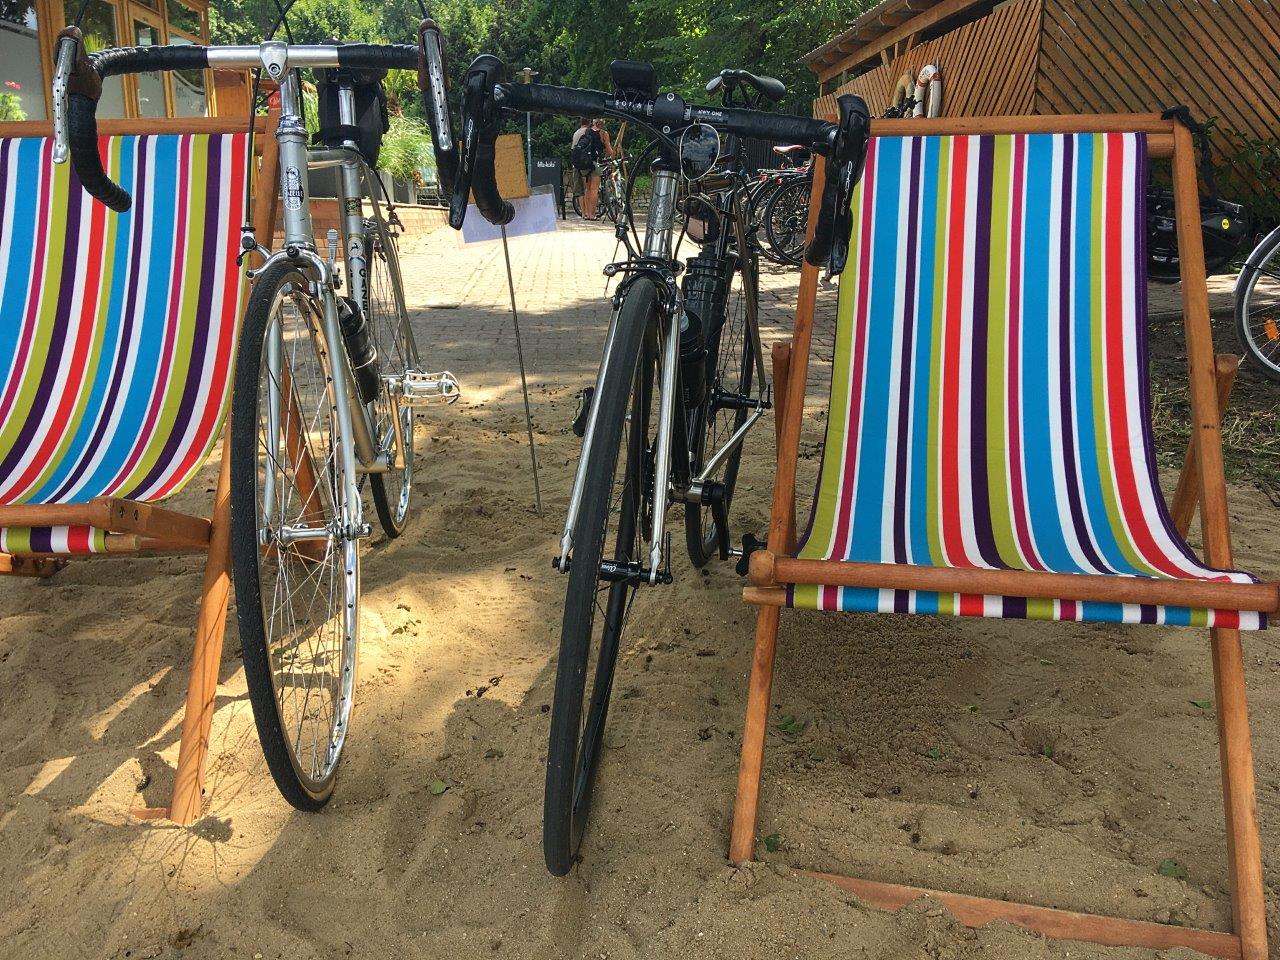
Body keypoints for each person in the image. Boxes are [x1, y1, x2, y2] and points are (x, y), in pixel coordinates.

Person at [570, 118, 613, 220]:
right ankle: (592, 214)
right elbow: (609, 151)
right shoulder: (603, 133)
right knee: (594, 189)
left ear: (593, 122)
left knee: (587, 189)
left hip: (584, 163)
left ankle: (587, 214)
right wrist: (609, 155)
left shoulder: (587, 131)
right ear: (602, 123)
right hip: (595, 163)